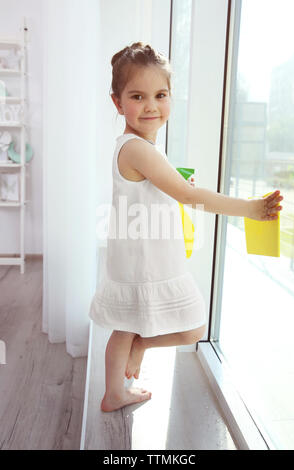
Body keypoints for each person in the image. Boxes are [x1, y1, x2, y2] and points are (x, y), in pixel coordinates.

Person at [89, 42, 283, 413]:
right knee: (191, 329)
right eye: (137, 96)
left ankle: (125, 372)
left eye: (160, 95)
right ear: (117, 103)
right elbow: (190, 198)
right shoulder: (137, 149)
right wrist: (250, 209)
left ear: (171, 98)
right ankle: (123, 377)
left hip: (138, 256)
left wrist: (174, 188)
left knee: (127, 328)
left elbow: (160, 190)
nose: (150, 105)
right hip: (144, 261)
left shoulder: (138, 146)